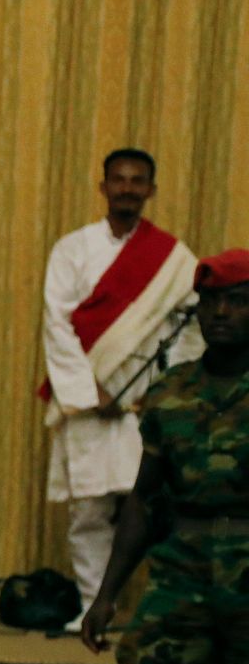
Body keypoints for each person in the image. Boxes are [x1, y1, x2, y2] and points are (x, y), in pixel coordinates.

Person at [8, 248, 249, 664]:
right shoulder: (172, 393)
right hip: (183, 580)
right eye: (212, 303)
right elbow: (144, 502)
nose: (223, 314)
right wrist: (107, 593)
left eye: (237, 302)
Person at [40, 149, 202, 631]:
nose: (128, 188)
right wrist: (92, 393)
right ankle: (94, 604)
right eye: (119, 180)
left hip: (145, 400)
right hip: (88, 395)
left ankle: (148, 606)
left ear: (151, 189)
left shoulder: (173, 257)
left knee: (147, 506)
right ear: (103, 186)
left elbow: (193, 328)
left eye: (138, 182)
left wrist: (163, 391)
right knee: (88, 507)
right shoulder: (72, 249)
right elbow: (56, 324)